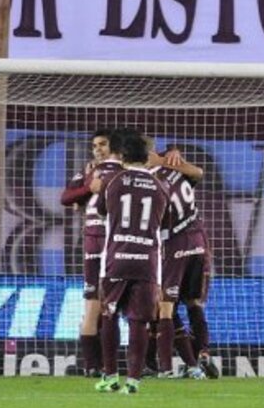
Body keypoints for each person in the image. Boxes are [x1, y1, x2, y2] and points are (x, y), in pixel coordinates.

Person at [93, 129, 170, 395]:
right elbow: (165, 224)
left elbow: (102, 212)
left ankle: (110, 375)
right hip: (147, 261)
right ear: (147, 156)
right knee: (139, 322)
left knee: (109, 315)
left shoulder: (112, 181)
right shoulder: (162, 185)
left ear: (123, 155)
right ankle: (134, 380)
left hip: (116, 258)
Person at [147, 142, 218, 379]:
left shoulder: (149, 181)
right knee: (193, 303)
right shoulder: (176, 170)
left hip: (172, 245)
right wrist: (169, 157)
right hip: (198, 242)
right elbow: (198, 172)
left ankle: (169, 368)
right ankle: (203, 354)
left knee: (165, 307)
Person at [60, 129, 123, 377]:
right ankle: (96, 366)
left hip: (107, 241)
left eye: (103, 144)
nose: (97, 149)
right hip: (103, 241)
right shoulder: (89, 172)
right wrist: (89, 188)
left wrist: (87, 192)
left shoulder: (114, 171)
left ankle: (100, 364)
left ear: (114, 148)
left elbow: (71, 199)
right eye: (95, 145)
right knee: (101, 305)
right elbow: (66, 197)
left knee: (103, 305)